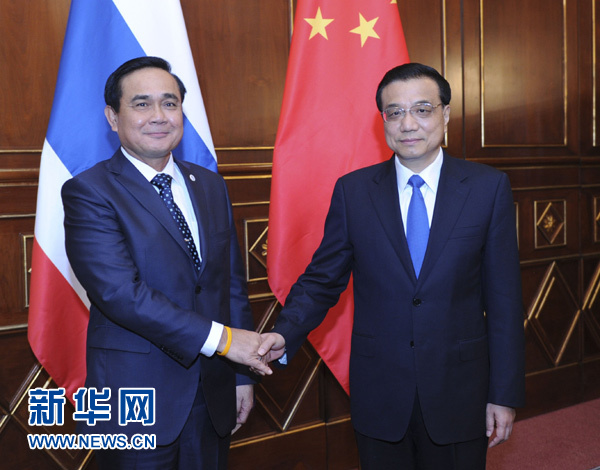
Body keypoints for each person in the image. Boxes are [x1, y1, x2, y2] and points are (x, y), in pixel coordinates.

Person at [259, 63, 525, 469]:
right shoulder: (354, 192)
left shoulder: (488, 188)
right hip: (380, 391)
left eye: (422, 109)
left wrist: (503, 393)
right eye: (395, 112)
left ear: (445, 114)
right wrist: (284, 333)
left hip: (460, 390)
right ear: (382, 119)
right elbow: (321, 281)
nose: (408, 124)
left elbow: (504, 301)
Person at [61, 56, 271, 469]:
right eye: (141, 104)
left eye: (170, 103)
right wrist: (226, 341)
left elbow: (230, 285)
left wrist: (240, 375)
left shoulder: (210, 185)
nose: (159, 115)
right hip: (135, 398)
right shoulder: (89, 191)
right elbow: (121, 294)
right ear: (112, 117)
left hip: (212, 394)